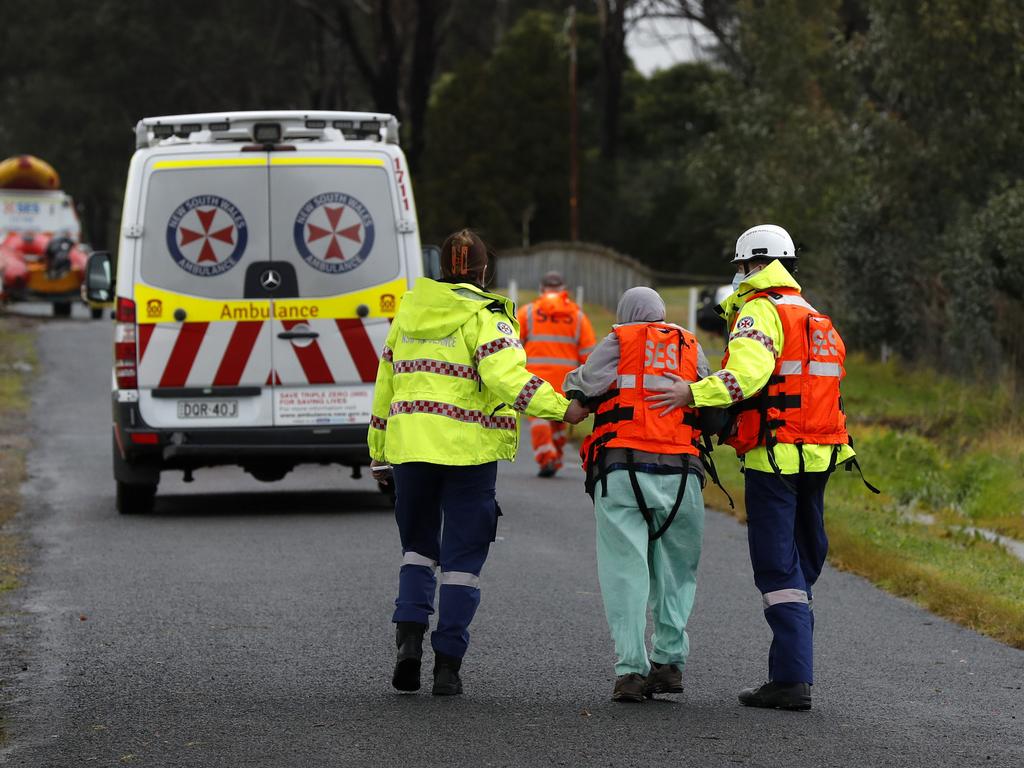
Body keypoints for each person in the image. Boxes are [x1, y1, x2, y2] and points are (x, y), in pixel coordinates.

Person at [647, 224, 873, 711]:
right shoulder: (815, 317)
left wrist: (693, 393)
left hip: (774, 457)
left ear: (752, 265)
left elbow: (745, 376)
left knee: (776, 565)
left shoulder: (759, 312)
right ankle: (791, 667)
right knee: (802, 559)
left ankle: (792, 680)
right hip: (822, 455)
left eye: (741, 265)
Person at [368, 229, 589, 696]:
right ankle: (447, 666)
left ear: (442, 267)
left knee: (417, 551)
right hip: (467, 452)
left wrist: (378, 451)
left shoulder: (408, 312)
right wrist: (561, 408)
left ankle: (408, 643)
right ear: (485, 270)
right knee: (463, 561)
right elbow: (506, 376)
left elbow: (385, 384)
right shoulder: (487, 315)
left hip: (409, 448)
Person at [563, 287, 710, 703]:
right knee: (676, 573)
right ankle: (670, 663)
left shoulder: (619, 339)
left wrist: (575, 389)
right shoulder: (689, 346)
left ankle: (630, 671)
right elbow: (713, 401)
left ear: (627, 314)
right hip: (683, 475)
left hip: (622, 470)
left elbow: (583, 388)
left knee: (625, 572)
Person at [517, 271, 596, 477]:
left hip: (535, 380)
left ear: (542, 289)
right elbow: (588, 355)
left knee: (539, 421)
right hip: (565, 383)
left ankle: (548, 457)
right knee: (560, 420)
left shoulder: (528, 313)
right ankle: (557, 455)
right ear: (563, 290)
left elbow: (513, 346)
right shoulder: (577, 317)